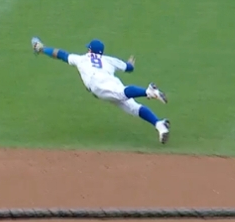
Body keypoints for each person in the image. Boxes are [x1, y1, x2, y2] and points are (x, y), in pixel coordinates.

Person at [31, 37, 171, 144]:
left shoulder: (81, 59)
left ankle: (149, 91)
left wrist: (42, 49)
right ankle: (160, 125)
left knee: (122, 93)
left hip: (98, 84)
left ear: (90, 50)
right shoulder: (108, 59)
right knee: (133, 107)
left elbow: (60, 54)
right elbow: (128, 68)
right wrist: (129, 64)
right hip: (110, 80)